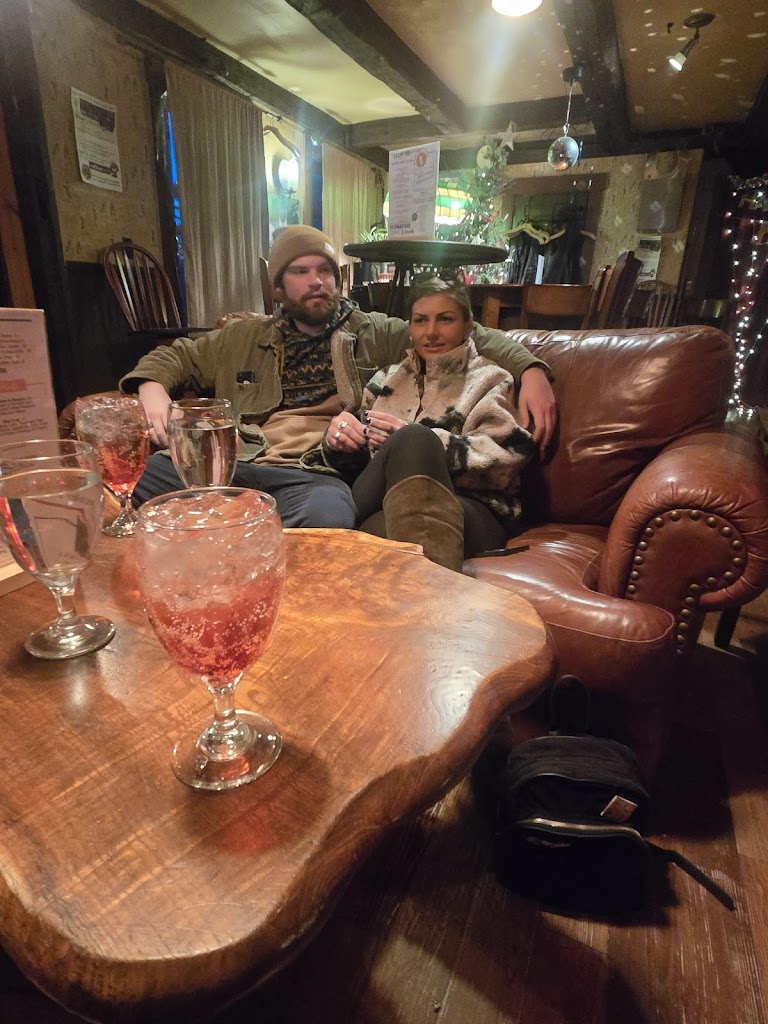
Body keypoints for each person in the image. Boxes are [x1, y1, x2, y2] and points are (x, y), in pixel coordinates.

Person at [120, 225, 556, 528]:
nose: (316, 281)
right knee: (142, 473)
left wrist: (532, 369)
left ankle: (231, 528)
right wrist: (151, 389)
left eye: (324, 270)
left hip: (312, 475)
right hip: (236, 464)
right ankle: (235, 526)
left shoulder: (372, 332)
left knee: (331, 513)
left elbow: (463, 331)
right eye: (300, 271)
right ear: (277, 287)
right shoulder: (240, 338)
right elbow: (176, 357)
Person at [308, 277, 535, 570]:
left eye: (445, 319)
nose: (431, 332)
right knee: (383, 515)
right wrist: (339, 442)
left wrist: (428, 444)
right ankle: (430, 602)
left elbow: (505, 458)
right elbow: (360, 468)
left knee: (413, 442)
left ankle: (416, 593)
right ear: (410, 329)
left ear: (468, 326)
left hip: (470, 507)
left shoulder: (491, 379)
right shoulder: (387, 378)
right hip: (386, 501)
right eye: (420, 321)